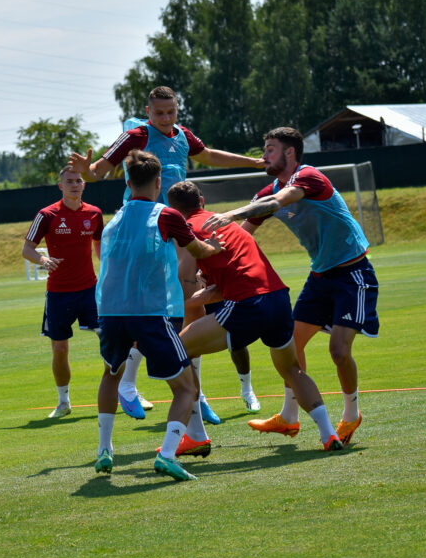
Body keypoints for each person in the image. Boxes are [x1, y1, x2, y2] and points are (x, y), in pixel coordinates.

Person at [68, 85, 263, 424]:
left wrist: (254, 162)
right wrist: (87, 170)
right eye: (158, 113)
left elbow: (211, 155)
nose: (165, 119)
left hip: (177, 226)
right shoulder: (136, 135)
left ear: (176, 110)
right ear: (148, 111)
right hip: (143, 228)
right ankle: (128, 384)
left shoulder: (183, 135)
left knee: (191, 306)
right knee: (148, 308)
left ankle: (195, 395)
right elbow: (98, 170)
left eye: (170, 112)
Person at [202, 127, 377, 446]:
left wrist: (231, 212)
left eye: (270, 149)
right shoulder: (268, 191)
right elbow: (242, 235)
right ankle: (289, 417)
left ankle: (351, 414)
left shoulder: (309, 177)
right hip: (320, 277)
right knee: (289, 346)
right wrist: (211, 264)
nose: (264, 155)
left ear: (290, 153)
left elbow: (283, 198)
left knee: (338, 352)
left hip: (353, 274)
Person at [170, 181, 344, 455]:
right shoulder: (225, 223)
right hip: (277, 299)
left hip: (247, 304)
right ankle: (329, 433)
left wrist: (182, 300)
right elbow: (227, 285)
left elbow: (192, 279)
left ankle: (195, 436)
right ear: (201, 201)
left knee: (176, 350)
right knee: (292, 369)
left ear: (173, 210)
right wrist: (196, 298)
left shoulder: (187, 231)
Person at [93, 150, 225, 482]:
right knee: (186, 389)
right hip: (151, 314)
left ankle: (104, 451)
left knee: (111, 375)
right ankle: (167, 454)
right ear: (158, 182)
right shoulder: (166, 215)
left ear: (127, 182)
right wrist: (217, 247)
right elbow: (198, 250)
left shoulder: (117, 218)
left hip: (110, 313)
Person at [22, 166, 104, 418]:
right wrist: (43, 261)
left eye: (78, 180)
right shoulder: (46, 215)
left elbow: (100, 245)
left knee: (111, 339)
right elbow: (28, 249)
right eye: (69, 181)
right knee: (59, 348)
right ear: (60, 186)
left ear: (84, 185)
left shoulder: (95, 213)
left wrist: (108, 271)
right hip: (58, 293)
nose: (74, 184)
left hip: (90, 289)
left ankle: (125, 390)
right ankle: (63, 401)